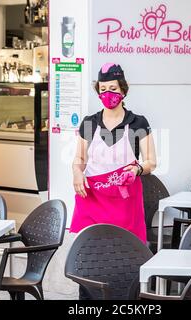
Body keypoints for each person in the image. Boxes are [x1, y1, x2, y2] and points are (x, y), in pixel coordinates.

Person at [70, 63, 157, 244]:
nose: (107, 93)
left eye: (113, 88)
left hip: (124, 200)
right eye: (103, 89)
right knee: (87, 249)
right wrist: (77, 172)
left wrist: (136, 170)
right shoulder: (89, 123)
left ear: (123, 90)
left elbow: (151, 162)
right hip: (91, 197)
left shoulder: (137, 123)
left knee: (124, 248)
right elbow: (79, 158)